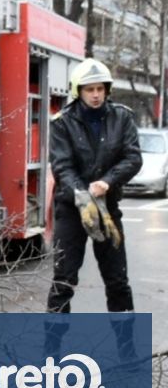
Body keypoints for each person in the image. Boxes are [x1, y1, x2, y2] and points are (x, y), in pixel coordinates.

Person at [47, 58, 141, 315]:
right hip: (71, 209)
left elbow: (133, 158)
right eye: (90, 89)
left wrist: (107, 182)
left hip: (107, 208)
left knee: (118, 280)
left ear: (107, 90)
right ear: (78, 91)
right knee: (64, 280)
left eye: (100, 89)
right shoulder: (62, 122)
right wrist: (82, 194)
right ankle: (53, 340)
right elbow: (62, 166)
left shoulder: (122, 117)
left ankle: (125, 339)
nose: (96, 95)